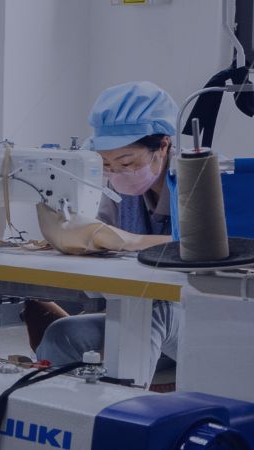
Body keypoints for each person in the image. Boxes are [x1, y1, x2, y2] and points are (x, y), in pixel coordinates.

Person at [27, 81, 182, 382]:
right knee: (61, 335)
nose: (116, 173)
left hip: (205, 324)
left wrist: (134, 241)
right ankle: (65, 408)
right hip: (143, 317)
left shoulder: (202, 178)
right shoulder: (120, 190)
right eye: (107, 164)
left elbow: (206, 250)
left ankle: (122, 407)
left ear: (163, 146)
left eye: (126, 162)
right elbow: (99, 233)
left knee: (153, 308)